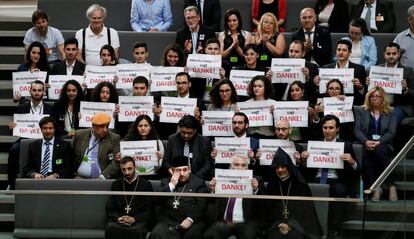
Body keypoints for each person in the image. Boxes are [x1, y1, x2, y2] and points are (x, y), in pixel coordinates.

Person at [300, 115, 360, 235]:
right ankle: (312, 226)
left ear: (337, 129)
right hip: (317, 179)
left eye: (331, 128)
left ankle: (333, 228)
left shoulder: (346, 145)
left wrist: (351, 161)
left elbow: (357, 170)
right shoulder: (314, 145)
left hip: (336, 180)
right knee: (304, 190)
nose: (327, 131)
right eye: (325, 127)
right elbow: (304, 170)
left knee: (340, 191)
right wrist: (303, 159)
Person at [265, 148, 322, 239]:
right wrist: (279, 224)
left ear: (289, 167)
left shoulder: (300, 186)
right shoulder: (271, 186)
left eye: (283, 166)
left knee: (294, 236)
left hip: (298, 226)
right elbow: (268, 211)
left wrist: (290, 225)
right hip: (276, 225)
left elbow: (304, 212)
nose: (279, 170)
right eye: (277, 167)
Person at [354, 87, 398, 201]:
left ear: (383, 98)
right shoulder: (361, 110)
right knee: (365, 153)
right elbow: (357, 130)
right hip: (366, 142)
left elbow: (391, 132)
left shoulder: (391, 112)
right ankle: (377, 187)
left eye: (377, 96)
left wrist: (378, 142)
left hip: (383, 143)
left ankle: (391, 185)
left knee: (379, 151)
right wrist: (365, 141)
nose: (374, 98)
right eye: (372, 96)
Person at [204, 155, 264, 239]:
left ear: (247, 168)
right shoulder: (221, 179)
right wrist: (213, 190)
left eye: (243, 165)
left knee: (248, 236)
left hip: (245, 224)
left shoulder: (256, 180)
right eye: (236, 164)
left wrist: (255, 190)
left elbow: (264, 206)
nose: (240, 168)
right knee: (209, 235)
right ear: (231, 166)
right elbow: (210, 203)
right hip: (224, 223)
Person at [7, 81, 52, 189]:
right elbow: (15, 130)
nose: (37, 92)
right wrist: (12, 128)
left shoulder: (50, 108)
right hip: (25, 139)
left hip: (44, 139)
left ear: (44, 92)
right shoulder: (22, 107)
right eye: (34, 90)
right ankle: (12, 184)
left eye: (39, 90)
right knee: (13, 150)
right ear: (30, 91)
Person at [151, 155, 209, 239]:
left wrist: (190, 219)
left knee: (193, 234)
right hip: (168, 222)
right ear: (172, 171)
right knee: (157, 232)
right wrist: (172, 185)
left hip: (192, 221)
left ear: (189, 170)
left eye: (185, 170)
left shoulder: (198, 183)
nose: (182, 173)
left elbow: (202, 206)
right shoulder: (165, 182)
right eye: (178, 170)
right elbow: (156, 200)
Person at [105, 156, 154, 239]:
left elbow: (150, 208)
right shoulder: (116, 184)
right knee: (110, 228)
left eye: (129, 168)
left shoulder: (146, 184)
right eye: (123, 169)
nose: (127, 172)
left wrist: (135, 219)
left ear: (135, 168)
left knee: (137, 231)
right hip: (120, 220)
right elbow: (110, 207)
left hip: (138, 221)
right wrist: (118, 218)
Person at [314, 39, 367, 106]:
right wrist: (317, 85)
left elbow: (364, 94)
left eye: (344, 50)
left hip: (351, 106)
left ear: (350, 53)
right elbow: (320, 93)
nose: (341, 52)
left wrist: (360, 87)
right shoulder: (326, 68)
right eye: (338, 50)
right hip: (330, 105)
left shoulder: (359, 69)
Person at [162, 115, 212, 180]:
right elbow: (166, 161)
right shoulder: (172, 139)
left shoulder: (204, 141)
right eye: (183, 132)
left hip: (197, 178)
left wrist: (194, 179)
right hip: (177, 177)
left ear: (195, 130)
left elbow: (207, 165)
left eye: (189, 133)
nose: (186, 135)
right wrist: (170, 170)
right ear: (180, 129)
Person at [73, 112, 121, 179]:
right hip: (80, 177)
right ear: (93, 125)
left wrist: (103, 176)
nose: (105, 130)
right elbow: (72, 156)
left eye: (107, 126)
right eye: (102, 126)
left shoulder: (114, 138)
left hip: (103, 178)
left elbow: (116, 162)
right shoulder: (80, 135)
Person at [218, 8, 252, 73]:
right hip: (226, 67)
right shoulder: (221, 35)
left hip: (242, 66)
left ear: (238, 21)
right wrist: (231, 47)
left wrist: (237, 47)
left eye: (234, 20)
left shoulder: (247, 34)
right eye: (229, 21)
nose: (232, 23)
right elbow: (221, 55)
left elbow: (246, 56)